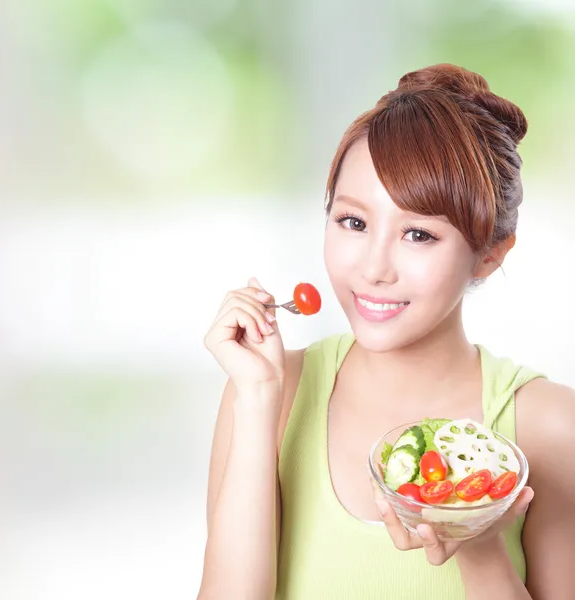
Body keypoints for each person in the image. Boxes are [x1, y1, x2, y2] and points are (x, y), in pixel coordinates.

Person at [196, 64, 575, 600]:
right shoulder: (269, 394)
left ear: (489, 254)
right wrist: (258, 402)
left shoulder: (552, 426)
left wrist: (480, 547)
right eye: (353, 222)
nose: (374, 267)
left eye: (418, 234)